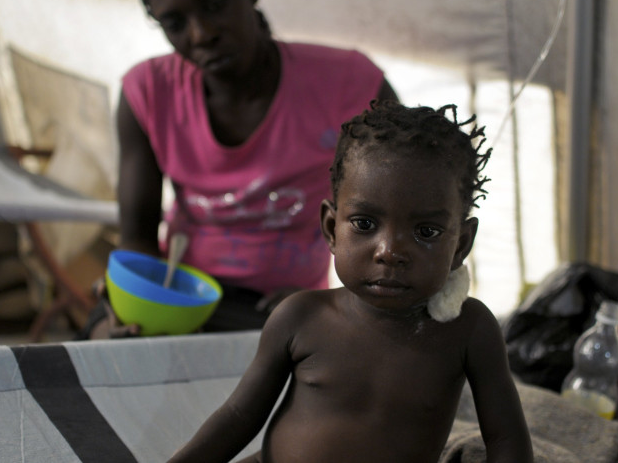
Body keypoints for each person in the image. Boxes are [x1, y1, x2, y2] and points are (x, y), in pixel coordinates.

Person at [167, 100, 534, 463]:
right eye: (364, 224)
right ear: (331, 228)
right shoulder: (300, 317)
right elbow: (238, 417)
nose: (389, 251)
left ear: (461, 245)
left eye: (426, 231)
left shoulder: (468, 330)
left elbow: (506, 439)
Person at [84, 0, 398, 338]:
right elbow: (136, 236)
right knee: (105, 338)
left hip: (283, 305)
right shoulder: (149, 91)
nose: (201, 34)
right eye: (174, 23)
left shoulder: (350, 84)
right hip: (179, 293)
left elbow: (403, 213)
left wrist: (343, 299)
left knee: (310, 349)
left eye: (215, 4)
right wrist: (133, 300)